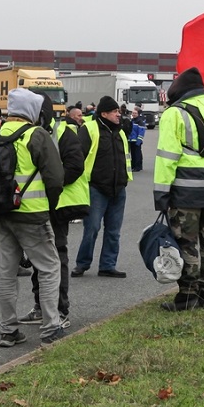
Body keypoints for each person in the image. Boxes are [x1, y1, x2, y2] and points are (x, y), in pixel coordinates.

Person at [0, 88, 65, 347]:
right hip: (32, 214)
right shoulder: (36, 135)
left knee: (6, 273)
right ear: (31, 111)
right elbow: (55, 177)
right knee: (50, 267)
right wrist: (51, 206)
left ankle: (8, 330)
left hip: (2, 213)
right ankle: (51, 327)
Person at [154, 67, 204, 311]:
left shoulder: (174, 114)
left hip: (187, 193)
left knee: (187, 245)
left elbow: (166, 158)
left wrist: (161, 193)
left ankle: (187, 297)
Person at [19, 94, 89, 331]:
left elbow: (75, 166)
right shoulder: (27, 133)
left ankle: (59, 310)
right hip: (33, 207)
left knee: (57, 258)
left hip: (56, 206)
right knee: (37, 260)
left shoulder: (63, 132)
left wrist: (52, 185)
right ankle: (41, 307)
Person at [71, 95, 132, 278]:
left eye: (118, 111)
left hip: (118, 188)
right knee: (92, 228)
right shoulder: (89, 129)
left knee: (113, 231)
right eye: (114, 112)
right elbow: (78, 156)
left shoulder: (120, 132)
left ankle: (107, 265)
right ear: (104, 114)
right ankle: (82, 264)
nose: (118, 115)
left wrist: (124, 180)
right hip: (96, 188)